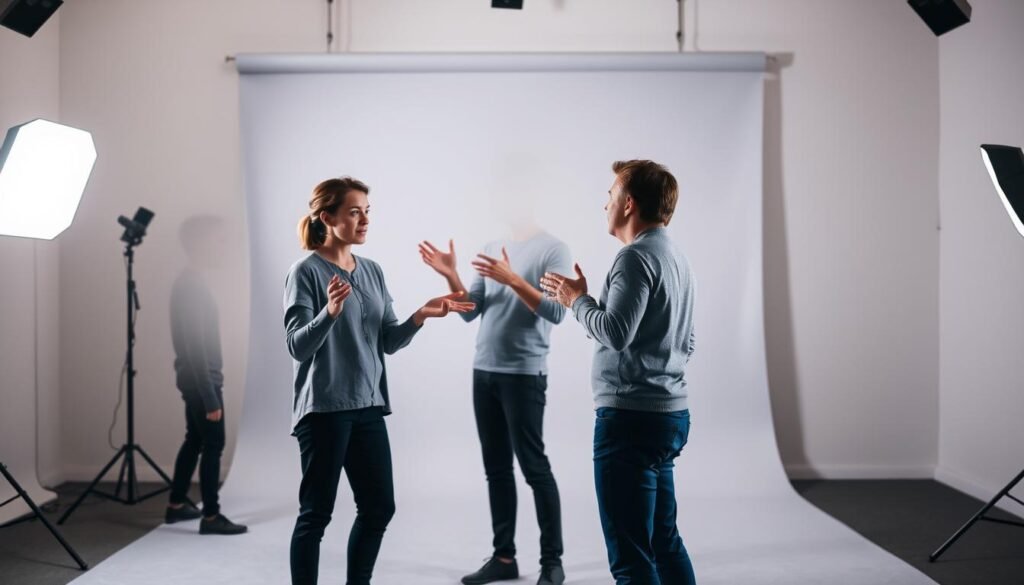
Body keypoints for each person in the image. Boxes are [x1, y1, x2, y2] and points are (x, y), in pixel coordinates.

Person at [285, 176, 475, 585]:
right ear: (327, 217)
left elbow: (388, 340)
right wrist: (329, 313)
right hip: (324, 410)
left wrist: (421, 315)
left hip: (368, 406)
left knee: (379, 507)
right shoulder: (305, 273)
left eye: (367, 211)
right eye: (354, 212)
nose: (364, 220)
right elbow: (297, 347)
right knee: (316, 514)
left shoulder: (372, 271)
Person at [541, 160, 697, 585]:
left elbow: (614, 333)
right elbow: (687, 341)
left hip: (630, 421)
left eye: (610, 195)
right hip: (669, 417)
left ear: (628, 204)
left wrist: (577, 299)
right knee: (664, 542)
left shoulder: (634, 258)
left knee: (630, 558)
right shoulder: (677, 258)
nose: (604, 203)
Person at [420, 223, 571, 585]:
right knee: (497, 470)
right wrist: (451, 274)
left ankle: (552, 562)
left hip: (524, 373)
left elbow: (556, 312)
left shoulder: (554, 250)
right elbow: (471, 310)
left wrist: (514, 279)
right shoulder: (492, 243)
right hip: (484, 371)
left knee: (535, 468)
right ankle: (504, 557)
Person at [166, 214, 247, 535]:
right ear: (200, 244)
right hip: (202, 381)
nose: (224, 247)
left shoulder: (191, 282)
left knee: (195, 439)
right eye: (220, 240)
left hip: (195, 378)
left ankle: (175, 506)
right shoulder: (191, 288)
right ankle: (211, 517)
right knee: (213, 444)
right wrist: (210, 394)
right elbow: (196, 347)